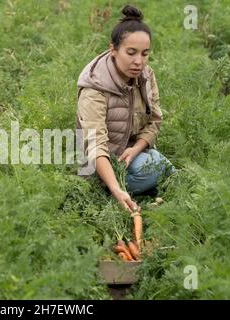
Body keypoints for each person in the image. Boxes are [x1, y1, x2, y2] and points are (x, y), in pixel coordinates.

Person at [76, 4, 176, 214]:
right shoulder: (94, 88)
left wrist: (136, 148)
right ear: (113, 49)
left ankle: (157, 182)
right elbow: (96, 145)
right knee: (154, 166)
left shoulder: (146, 76)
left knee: (156, 165)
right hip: (101, 164)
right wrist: (115, 187)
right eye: (131, 53)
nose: (138, 61)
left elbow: (154, 121)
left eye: (145, 53)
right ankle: (109, 192)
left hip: (129, 155)